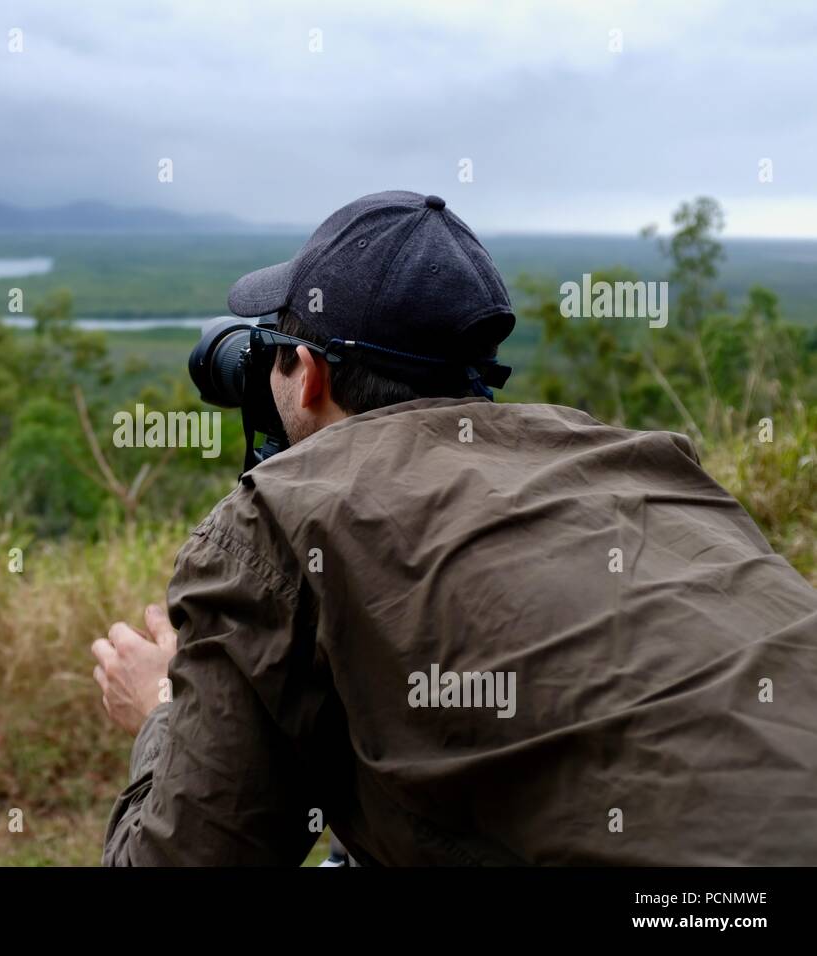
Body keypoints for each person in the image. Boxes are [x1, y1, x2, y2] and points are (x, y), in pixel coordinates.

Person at [90, 190, 817, 865]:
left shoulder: (286, 519)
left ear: (308, 374)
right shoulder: (645, 462)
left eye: (275, 353)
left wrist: (161, 711)